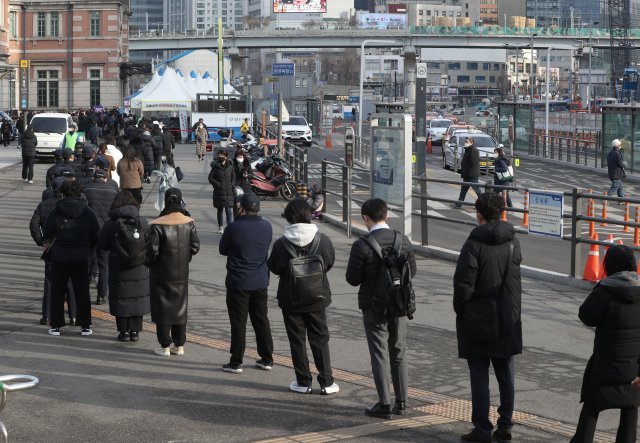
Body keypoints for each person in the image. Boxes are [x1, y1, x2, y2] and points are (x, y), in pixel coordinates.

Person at [453, 192, 523, 443]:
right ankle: (505, 425)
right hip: (507, 315)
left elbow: (463, 285)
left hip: (478, 315)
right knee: (506, 373)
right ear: (502, 213)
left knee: (479, 374)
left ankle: (482, 428)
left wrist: (461, 310)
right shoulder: (513, 242)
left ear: (478, 214)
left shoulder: (473, 244)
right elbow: (514, 282)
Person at [345, 198, 416, 419]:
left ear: (366, 218)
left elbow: (352, 279)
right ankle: (402, 402)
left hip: (374, 306)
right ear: (385, 215)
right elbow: (411, 271)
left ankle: (384, 403)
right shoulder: (402, 240)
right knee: (399, 351)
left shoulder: (362, 245)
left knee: (379, 353)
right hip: (400, 304)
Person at [570, 245, 640, 443]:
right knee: (630, 406)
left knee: (592, 406)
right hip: (633, 369)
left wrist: (600, 286)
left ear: (608, 265)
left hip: (604, 366)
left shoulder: (605, 291)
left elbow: (586, 315)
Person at [268, 198, 338, 394]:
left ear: (290, 218)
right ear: (308, 215)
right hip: (318, 296)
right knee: (320, 338)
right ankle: (327, 382)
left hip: (291, 299)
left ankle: (303, 382)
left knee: (297, 339)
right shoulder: (322, 239)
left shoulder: (282, 243)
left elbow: (273, 267)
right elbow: (329, 262)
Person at [219, 192, 274, 374]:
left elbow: (223, 249)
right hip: (260, 281)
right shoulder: (267, 227)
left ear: (241, 207)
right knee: (261, 320)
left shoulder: (234, 227)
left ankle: (236, 361)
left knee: (238, 322)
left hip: (238, 281)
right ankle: (267, 358)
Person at [146, 188, 200, 356]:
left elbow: (152, 252)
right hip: (181, 274)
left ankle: (164, 346)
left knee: (162, 309)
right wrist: (185, 258)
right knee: (180, 307)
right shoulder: (188, 222)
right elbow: (195, 247)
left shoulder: (158, 224)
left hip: (161, 274)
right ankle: (179, 344)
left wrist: (149, 264)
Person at [43, 180, 100, 336]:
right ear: (79, 193)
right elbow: (96, 235)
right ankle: (85, 325)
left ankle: (55, 325)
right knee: (82, 291)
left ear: (63, 193)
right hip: (81, 256)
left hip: (60, 256)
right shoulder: (88, 212)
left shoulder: (56, 211)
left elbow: (47, 233)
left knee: (57, 291)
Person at [99, 191, 150, 342]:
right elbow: (149, 242)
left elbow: (103, 244)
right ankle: (135, 332)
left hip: (118, 266)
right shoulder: (142, 221)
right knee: (137, 298)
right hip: (139, 267)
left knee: (121, 298)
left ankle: (123, 332)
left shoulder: (111, 223)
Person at [29, 177, 76, 326]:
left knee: (50, 283)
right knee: (70, 283)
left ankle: (47, 315)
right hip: (69, 248)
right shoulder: (71, 205)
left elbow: (33, 225)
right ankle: (73, 315)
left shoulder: (43, 205)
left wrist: (42, 241)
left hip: (51, 248)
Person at [82, 169, 118, 305]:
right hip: (106, 231)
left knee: (87, 262)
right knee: (104, 264)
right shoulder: (113, 192)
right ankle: (102, 294)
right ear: (105, 178)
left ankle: (83, 292)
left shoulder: (86, 189)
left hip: (90, 231)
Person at [208, 149, 235, 234]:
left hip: (229, 191)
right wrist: (217, 184)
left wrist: (232, 184)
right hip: (219, 192)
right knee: (220, 210)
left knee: (229, 210)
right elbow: (210, 178)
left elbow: (233, 176)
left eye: (222, 155)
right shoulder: (215, 166)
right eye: (219, 155)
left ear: (226, 157)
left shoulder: (230, 166)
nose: (221, 156)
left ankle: (229, 227)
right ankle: (221, 226)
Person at [454, 136, 482, 208]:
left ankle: (483, 203)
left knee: (477, 190)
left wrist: (465, 167)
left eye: (467, 142)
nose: (465, 143)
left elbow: (473, 162)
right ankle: (459, 204)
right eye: (465, 142)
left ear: (471, 143)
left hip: (471, 174)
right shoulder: (468, 149)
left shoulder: (473, 150)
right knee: (463, 190)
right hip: (467, 174)